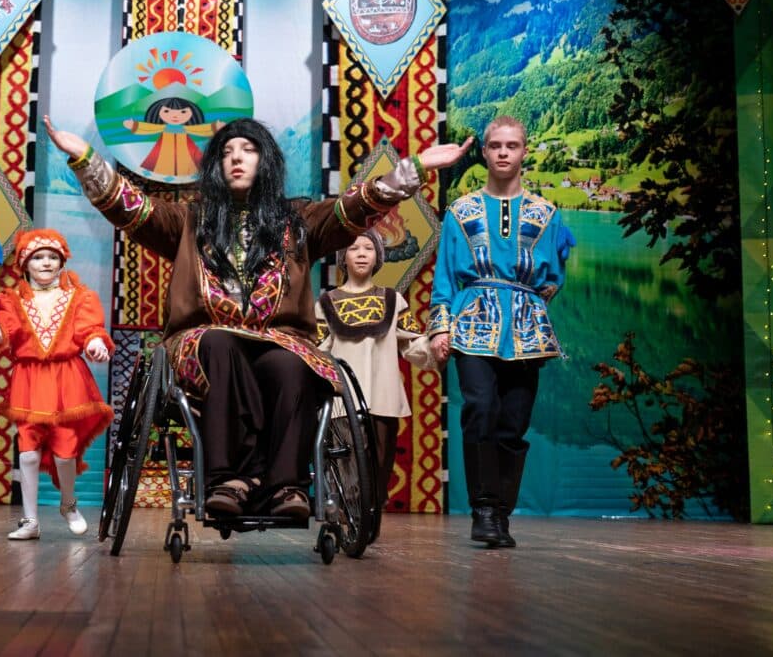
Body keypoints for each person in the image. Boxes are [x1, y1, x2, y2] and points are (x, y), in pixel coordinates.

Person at [43, 115, 473, 520]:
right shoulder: (188, 220)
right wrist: (85, 159)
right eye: (227, 151)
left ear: (265, 160)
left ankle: (286, 486)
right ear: (216, 165)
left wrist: (413, 170)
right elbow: (130, 206)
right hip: (202, 343)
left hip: (279, 340)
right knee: (220, 343)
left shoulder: (300, 221)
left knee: (292, 364)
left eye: (248, 149)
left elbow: (356, 205)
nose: (236, 157)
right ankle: (226, 479)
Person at [429, 115, 573, 549]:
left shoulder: (547, 214)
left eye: (512, 145)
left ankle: (501, 513)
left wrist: (530, 304)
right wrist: (440, 329)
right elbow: (444, 277)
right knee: (480, 408)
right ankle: (484, 510)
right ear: (485, 152)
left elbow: (553, 277)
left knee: (513, 423)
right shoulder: (460, 212)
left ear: (525, 151)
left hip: (526, 329)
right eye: (496, 146)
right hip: (473, 322)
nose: (504, 152)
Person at [0, 228, 114, 540]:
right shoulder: (12, 300)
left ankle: (68, 504)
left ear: (62, 261)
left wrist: (95, 342)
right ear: (24, 263)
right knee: (27, 452)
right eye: (37, 257)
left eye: (52, 257)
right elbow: (6, 328)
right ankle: (30, 521)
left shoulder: (79, 297)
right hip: (29, 379)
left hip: (67, 378)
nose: (45, 263)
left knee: (65, 452)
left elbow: (89, 329)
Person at [316, 229, 437, 528]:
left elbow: (412, 344)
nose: (361, 253)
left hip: (383, 397)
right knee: (347, 464)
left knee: (379, 467)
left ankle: (368, 516)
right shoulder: (327, 302)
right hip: (344, 400)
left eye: (368, 248)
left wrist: (435, 348)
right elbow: (319, 351)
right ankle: (347, 518)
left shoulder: (393, 300)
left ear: (378, 258)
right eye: (353, 248)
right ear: (343, 257)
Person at [123, 97, 224, 177]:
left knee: (190, 162)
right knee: (160, 162)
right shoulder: (163, 127)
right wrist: (134, 125)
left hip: (186, 150)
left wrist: (215, 127)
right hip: (164, 149)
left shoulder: (186, 128)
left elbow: (200, 129)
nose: (175, 116)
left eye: (183, 112)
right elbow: (150, 128)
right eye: (167, 111)